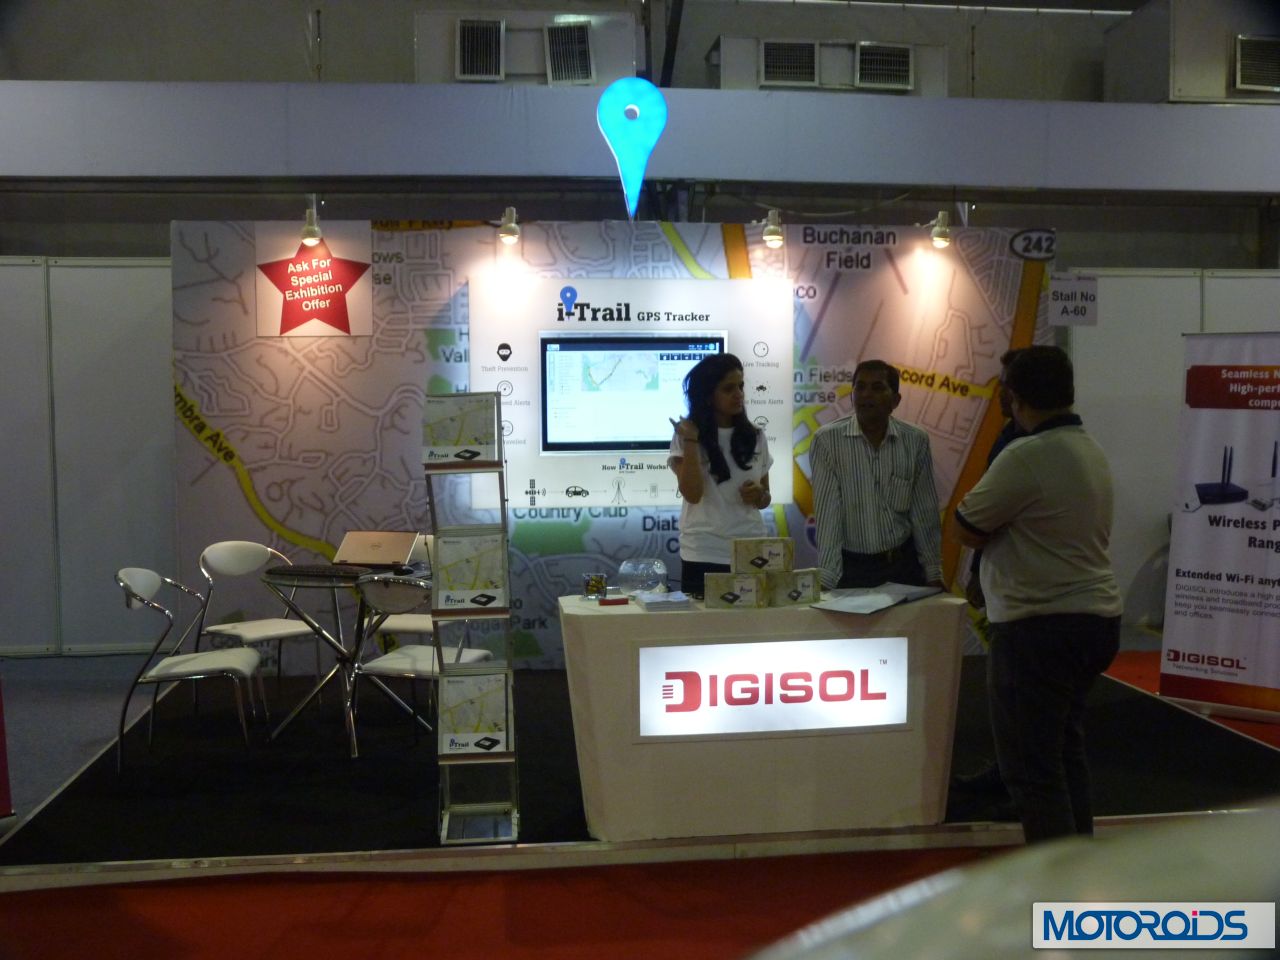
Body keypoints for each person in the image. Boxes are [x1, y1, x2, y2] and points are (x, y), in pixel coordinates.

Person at [951, 345, 1122, 844]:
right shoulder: (1089, 448)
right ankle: (1078, 869)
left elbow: (965, 527)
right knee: (1064, 753)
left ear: (1015, 397)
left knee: (1032, 772)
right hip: (1092, 621)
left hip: (1039, 627)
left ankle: (1058, 885)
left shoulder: (1026, 455)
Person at [809, 359, 942, 589]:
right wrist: (827, 580)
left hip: (903, 565)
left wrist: (933, 573)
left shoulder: (915, 441)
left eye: (877, 387)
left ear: (895, 400)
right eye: (860, 387)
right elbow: (828, 516)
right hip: (853, 568)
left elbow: (924, 512)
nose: (866, 394)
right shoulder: (827, 441)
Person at [669, 353, 773, 596]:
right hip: (703, 551)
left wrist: (760, 494)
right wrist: (692, 440)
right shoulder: (686, 435)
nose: (739, 394)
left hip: (751, 549)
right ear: (708, 394)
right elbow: (692, 494)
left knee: (755, 619)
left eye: (741, 386)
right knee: (703, 621)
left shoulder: (756, 435)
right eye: (728, 388)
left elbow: (765, 499)